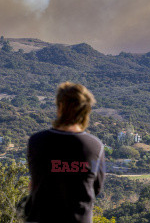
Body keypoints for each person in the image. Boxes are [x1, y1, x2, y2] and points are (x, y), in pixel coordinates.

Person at [27, 82, 105, 223]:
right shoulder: (95, 146)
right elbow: (96, 188)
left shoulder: (36, 141)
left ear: (60, 107)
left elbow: (34, 182)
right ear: (85, 110)